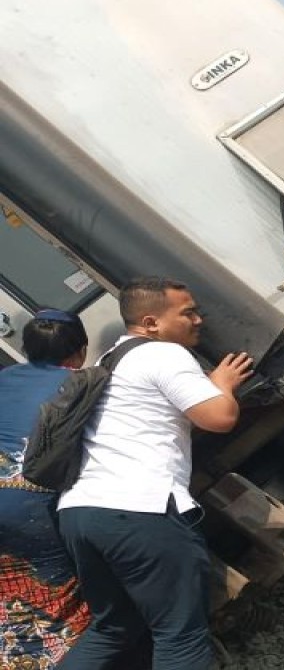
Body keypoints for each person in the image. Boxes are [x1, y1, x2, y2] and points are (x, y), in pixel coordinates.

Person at [58, 278, 254, 670]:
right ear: (151, 323)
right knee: (181, 636)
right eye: (188, 313)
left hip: (80, 514)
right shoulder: (163, 355)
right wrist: (222, 385)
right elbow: (219, 417)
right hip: (140, 511)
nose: (198, 320)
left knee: (115, 627)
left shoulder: (106, 362)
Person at [0, 309, 93, 666]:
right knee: (57, 596)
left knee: (12, 595)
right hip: (29, 505)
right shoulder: (82, 383)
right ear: (81, 350)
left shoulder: (6, 377)